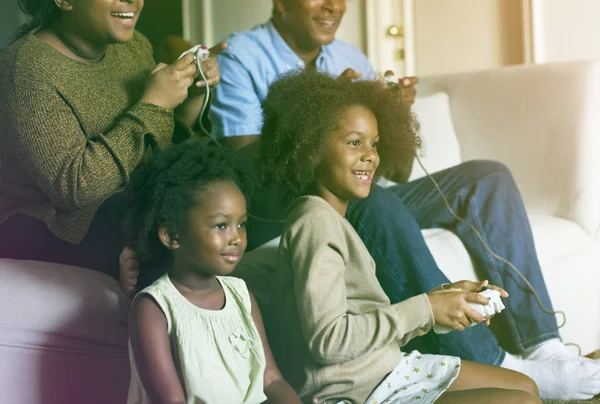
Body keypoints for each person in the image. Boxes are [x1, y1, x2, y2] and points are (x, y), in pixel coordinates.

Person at [205, 0, 600, 400]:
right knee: (375, 202)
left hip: (356, 191)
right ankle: (496, 363)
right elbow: (249, 172)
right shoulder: (241, 56)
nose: (332, 6)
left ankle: (542, 346)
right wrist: (322, 120)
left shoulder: (349, 56)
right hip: (287, 199)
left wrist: (389, 111)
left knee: (487, 177)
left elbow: (393, 169)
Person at [258, 69, 540, 404]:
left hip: (387, 369)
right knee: (523, 402)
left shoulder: (337, 219)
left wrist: (443, 300)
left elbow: (369, 321)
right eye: (354, 142)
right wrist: (426, 309)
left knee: (527, 387)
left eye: (374, 143)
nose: (370, 155)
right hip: (351, 392)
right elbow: (329, 342)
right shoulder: (313, 221)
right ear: (310, 151)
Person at [0, 0, 224, 279]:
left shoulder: (133, 47)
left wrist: (192, 92)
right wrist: (153, 105)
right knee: (182, 227)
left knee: (218, 191)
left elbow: (158, 143)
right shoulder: (26, 71)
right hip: (46, 223)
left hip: (123, 201)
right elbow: (75, 190)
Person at [124, 141, 301, 404]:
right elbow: (171, 400)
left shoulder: (242, 296)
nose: (237, 238)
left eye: (241, 224)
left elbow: (271, 379)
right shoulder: (154, 308)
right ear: (172, 235)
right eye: (221, 226)